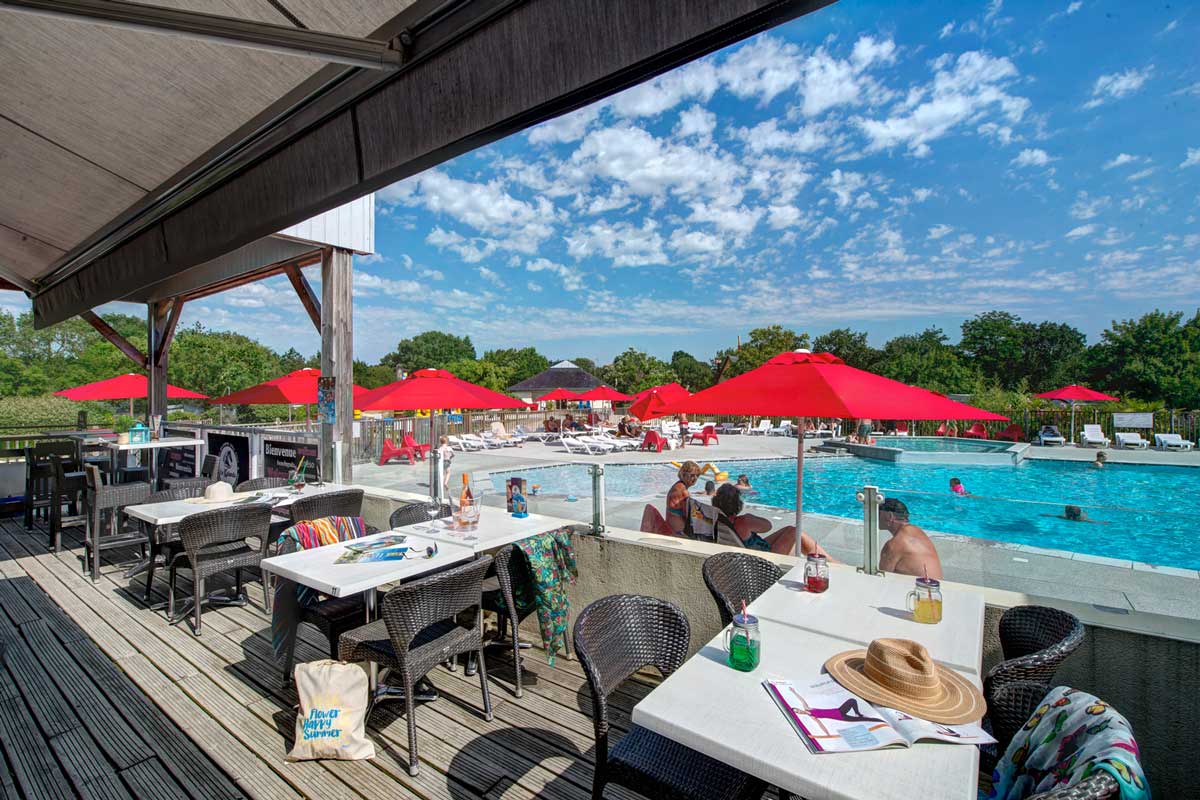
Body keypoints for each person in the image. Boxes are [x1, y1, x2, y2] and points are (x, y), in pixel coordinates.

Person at [711, 484, 829, 557]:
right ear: (738, 504)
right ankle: (829, 562)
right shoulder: (744, 521)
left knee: (789, 530)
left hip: (748, 554)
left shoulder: (716, 520)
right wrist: (750, 517)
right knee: (794, 532)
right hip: (762, 560)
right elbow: (768, 526)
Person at [877, 498, 943, 580]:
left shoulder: (894, 545)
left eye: (877, 514)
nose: (873, 517)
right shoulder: (917, 531)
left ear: (890, 516)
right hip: (936, 585)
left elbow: (882, 578)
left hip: (918, 587)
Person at [665, 461, 702, 535]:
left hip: (671, 526)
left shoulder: (678, 485)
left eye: (697, 475)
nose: (695, 478)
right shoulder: (683, 491)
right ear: (684, 475)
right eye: (692, 475)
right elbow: (691, 515)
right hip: (679, 532)